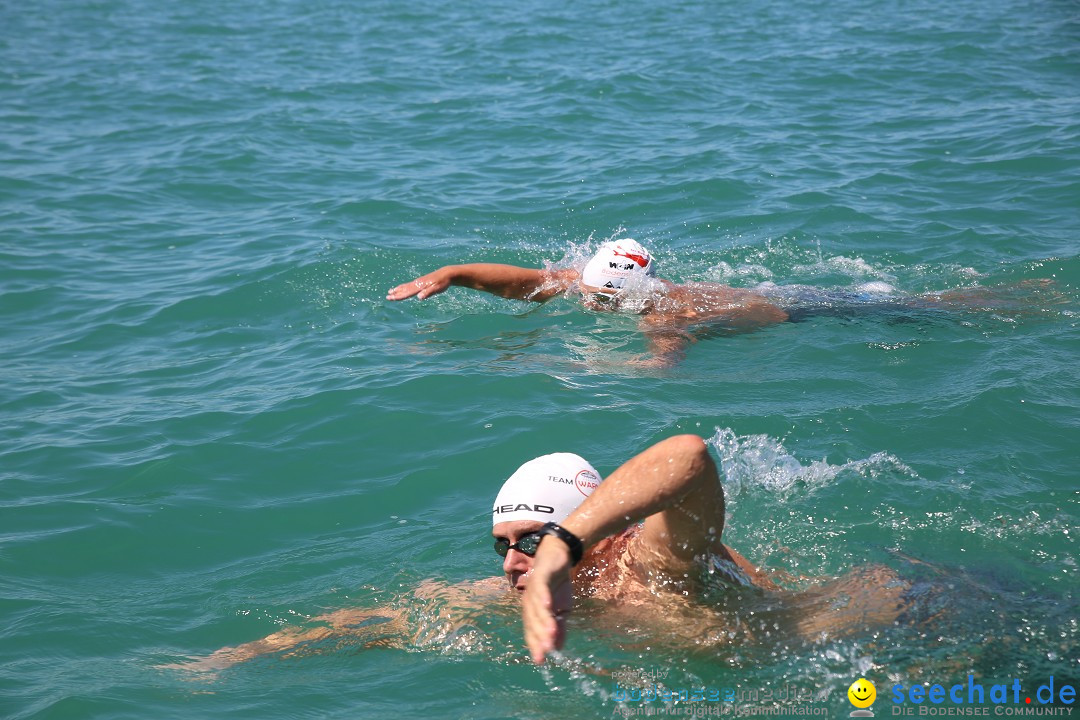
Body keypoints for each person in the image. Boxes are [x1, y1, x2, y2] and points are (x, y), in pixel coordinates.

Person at [174, 435, 921, 672]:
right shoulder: (523, 597)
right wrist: (242, 657)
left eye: (528, 540)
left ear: (587, 531)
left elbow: (692, 456)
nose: (511, 564)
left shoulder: (649, 562)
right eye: (501, 545)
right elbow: (395, 617)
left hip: (905, 629)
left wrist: (562, 548)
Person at [386, 239, 1043, 367]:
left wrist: (603, 367)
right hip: (770, 297)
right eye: (583, 290)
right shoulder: (596, 284)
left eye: (595, 298)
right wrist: (454, 273)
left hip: (809, 309)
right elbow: (529, 280)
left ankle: (1019, 300)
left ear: (626, 294)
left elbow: (662, 361)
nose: (583, 301)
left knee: (930, 306)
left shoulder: (667, 314)